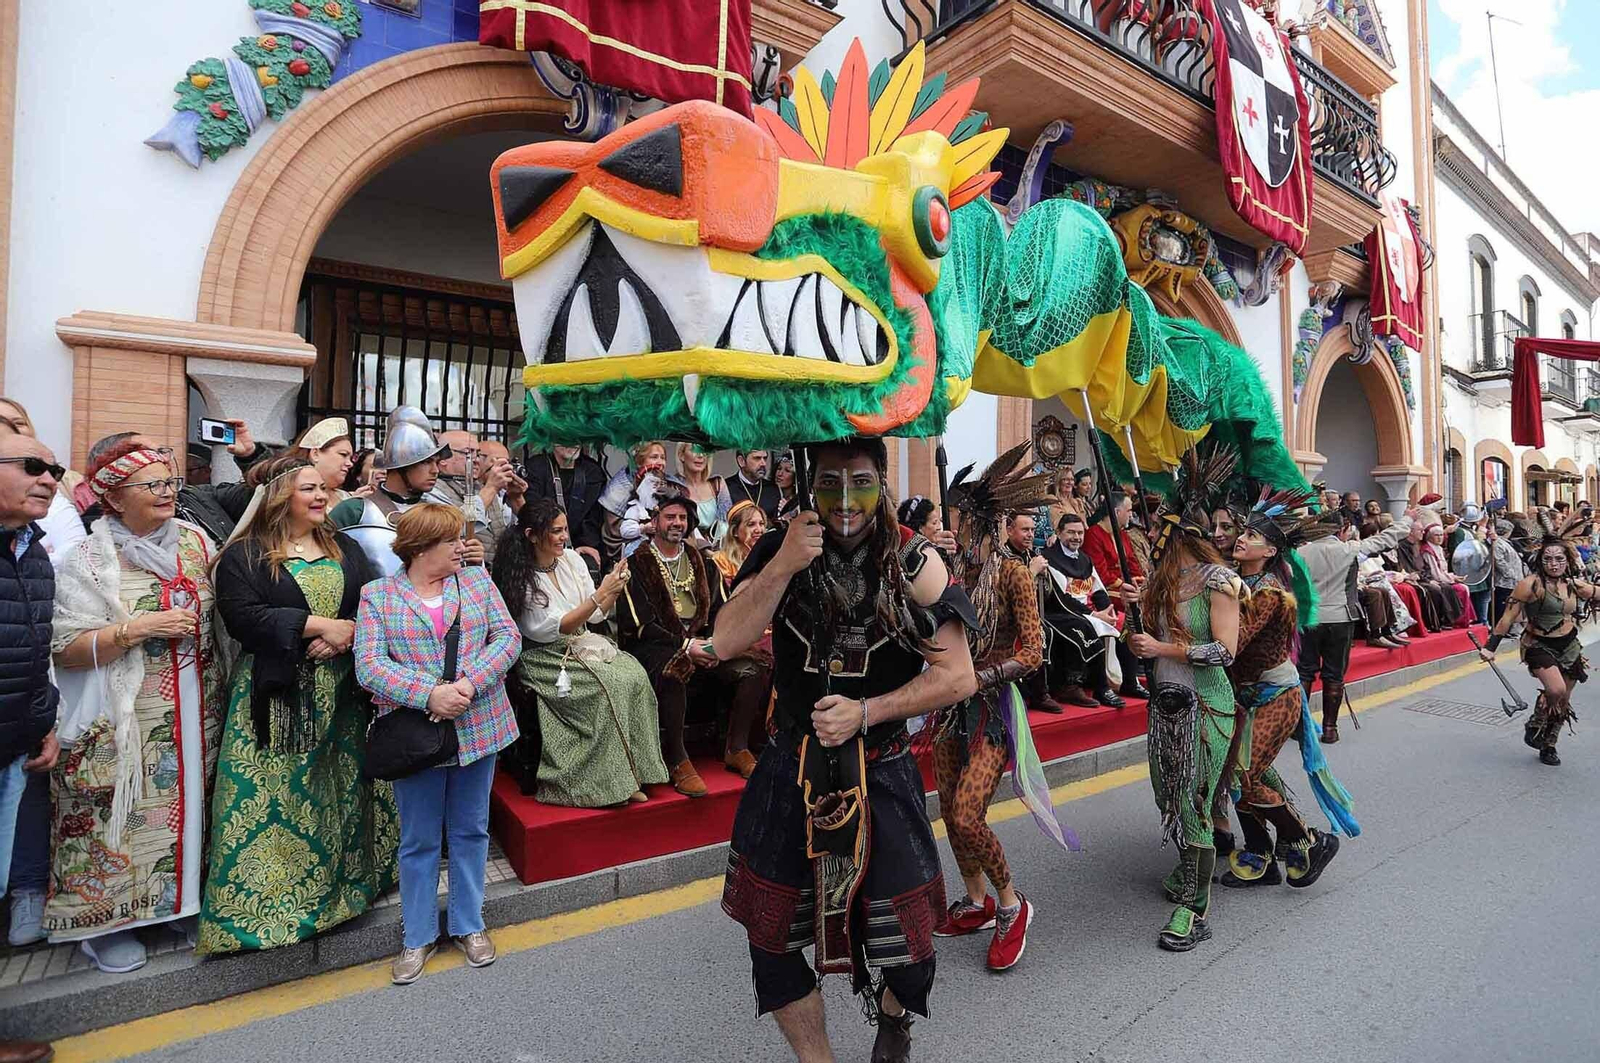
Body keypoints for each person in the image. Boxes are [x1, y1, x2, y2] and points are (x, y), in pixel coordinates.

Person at [715, 437, 976, 1063]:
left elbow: (958, 676)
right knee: (771, 941)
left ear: (881, 482)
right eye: (829, 483)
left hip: (879, 771)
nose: (845, 500)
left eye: (859, 481)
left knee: (910, 949)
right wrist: (780, 567)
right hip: (788, 770)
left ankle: (893, 1020)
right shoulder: (779, 544)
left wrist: (868, 711)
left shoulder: (913, 560)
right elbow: (725, 640)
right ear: (809, 485)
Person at [197, 454, 397, 954]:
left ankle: (346, 891)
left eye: (321, 489)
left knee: (341, 791)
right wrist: (314, 626)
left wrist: (346, 634)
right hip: (279, 697)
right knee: (279, 797)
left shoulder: (344, 546)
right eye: (308, 488)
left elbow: (373, 598)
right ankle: (271, 908)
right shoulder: (244, 555)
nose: (321, 496)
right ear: (279, 496)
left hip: (342, 693)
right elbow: (243, 616)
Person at [47, 442, 226, 973]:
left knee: (193, 801)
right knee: (118, 815)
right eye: (152, 486)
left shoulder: (195, 541)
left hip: (197, 701)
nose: (168, 492)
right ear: (114, 497)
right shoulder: (86, 560)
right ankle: (108, 925)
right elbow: (64, 647)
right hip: (125, 716)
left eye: (168, 483)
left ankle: (179, 901)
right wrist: (135, 629)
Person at [353, 503, 521, 985]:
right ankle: (418, 935)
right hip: (415, 736)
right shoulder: (377, 597)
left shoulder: (476, 582)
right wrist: (429, 693)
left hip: (480, 723)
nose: (462, 547)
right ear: (423, 546)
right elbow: (369, 666)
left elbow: (507, 639)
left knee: (471, 831)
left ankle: (470, 925)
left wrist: (469, 684)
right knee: (420, 839)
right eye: (451, 540)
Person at [934, 450, 1060, 972]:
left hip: (991, 706)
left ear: (988, 521)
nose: (958, 526)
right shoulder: (952, 567)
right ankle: (976, 898)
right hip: (948, 705)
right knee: (947, 808)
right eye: (955, 516)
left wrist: (980, 677)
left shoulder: (1012, 575)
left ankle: (1011, 904)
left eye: (964, 518)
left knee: (968, 812)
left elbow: (1032, 652)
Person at [492, 499, 669, 807]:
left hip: (582, 643)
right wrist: (601, 594)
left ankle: (634, 773)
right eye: (556, 531)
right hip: (543, 656)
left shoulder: (573, 560)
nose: (563, 537)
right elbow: (554, 628)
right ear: (533, 535)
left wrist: (613, 589)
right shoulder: (520, 576)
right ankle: (602, 784)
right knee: (606, 687)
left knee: (635, 675)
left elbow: (596, 617)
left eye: (564, 530)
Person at [1127, 490, 1242, 952]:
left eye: (1156, 530)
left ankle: (1195, 908)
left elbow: (1224, 651)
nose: (1149, 536)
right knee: (1168, 795)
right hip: (1165, 707)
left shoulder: (1221, 582)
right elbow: (1142, 642)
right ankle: (1192, 863)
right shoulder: (1159, 582)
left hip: (1207, 706)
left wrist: (1161, 649)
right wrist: (1134, 622)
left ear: (1177, 535)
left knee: (1193, 800)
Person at [1219, 492, 1350, 889]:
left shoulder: (1270, 593)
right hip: (1245, 694)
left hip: (1276, 696)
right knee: (1239, 773)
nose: (1241, 539)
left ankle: (1307, 839)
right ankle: (1259, 855)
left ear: (1271, 550)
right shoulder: (1242, 581)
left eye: (1251, 536)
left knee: (1243, 775)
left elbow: (1233, 643)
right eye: (1242, 532)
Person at [616, 491, 770, 787]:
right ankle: (677, 758)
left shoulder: (704, 562)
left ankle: (736, 747)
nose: (677, 523)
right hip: (656, 647)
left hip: (702, 642)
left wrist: (715, 645)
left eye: (683, 518)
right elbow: (640, 625)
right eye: (670, 517)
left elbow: (722, 612)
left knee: (754, 667)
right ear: (655, 520)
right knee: (676, 669)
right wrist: (687, 646)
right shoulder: (636, 564)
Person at [0, 426, 60, 1063]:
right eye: (32, 465)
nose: (48, 477)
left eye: (54, 467)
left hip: (14, 741)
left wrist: (42, 717)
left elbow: (31, 647)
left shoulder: (31, 549)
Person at [1480, 517, 1596, 767]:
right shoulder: (1530, 584)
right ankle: (1535, 721)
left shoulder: (1574, 585)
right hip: (1538, 645)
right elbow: (1507, 617)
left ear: (1568, 561)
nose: (1553, 564)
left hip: (1569, 646)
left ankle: (1549, 744)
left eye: (1559, 559)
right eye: (1548, 559)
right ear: (1541, 560)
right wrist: (1490, 647)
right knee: (1555, 691)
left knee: (1563, 700)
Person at [1298, 509, 1414, 742]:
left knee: (1305, 672)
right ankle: (1330, 729)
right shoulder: (1350, 550)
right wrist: (1408, 518)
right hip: (1341, 617)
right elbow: (1386, 538)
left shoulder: (1300, 552)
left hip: (1308, 618)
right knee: (1334, 674)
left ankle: (1297, 726)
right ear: (1341, 530)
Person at [331, 407, 481, 575]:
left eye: (436, 462)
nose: (435, 470)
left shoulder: (442, 512)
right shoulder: (355, 510)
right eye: (426, 462)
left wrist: (473, 561)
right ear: (401, 465)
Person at [1038, 512, 1124, 708]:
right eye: (1071, 532)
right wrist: (1095, 615)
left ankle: (1128, 681)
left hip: (1086, 610)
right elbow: (1062, 598)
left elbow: (1098, 589)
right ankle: (1096, 687)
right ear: (1058, 533)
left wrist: (1107, 611)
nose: (1076, 537)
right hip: (1059, 612)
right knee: (1089, 625)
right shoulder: (1049, 558)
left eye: (1080, 533)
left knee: (1127, 621)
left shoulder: (1085, 559)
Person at [1082, 490, 1148, 700]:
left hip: (1125, 589)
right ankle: (1127, 679)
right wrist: (1126, 585)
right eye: (1128, 511)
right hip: (1105, 592)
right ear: (1117, 511)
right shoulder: (1094, 534)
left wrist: (1138, 581)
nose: (1131, 515)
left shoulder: (1122, 534)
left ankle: (1139, 673)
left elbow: (1132, 563)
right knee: (1130, 616)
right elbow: (1100, 572)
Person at [996, 511, 1065, 714]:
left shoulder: (1032, 555)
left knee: (1048, 632)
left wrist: (1043, 577)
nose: (1030, 534)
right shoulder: (1001, 557)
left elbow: (1048, 594)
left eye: (1033, 530)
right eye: (1025, 529)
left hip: (1033, 614)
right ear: (1009, 530)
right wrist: (1031, 572)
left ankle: (1046, 691)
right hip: (1007, 619)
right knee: (1039, 635)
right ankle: (1036, 693)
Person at [425, 430, 517, 569]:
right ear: (443, 459)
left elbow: (510, 529)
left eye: (478, 454)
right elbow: (453, 528)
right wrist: (491, 488)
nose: (476, 460)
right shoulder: (433, 490)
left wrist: (517, 498)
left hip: (498, 575)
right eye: (467, 453)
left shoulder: (481, 487)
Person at [525, 443, 606, 568]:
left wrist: (587, 544)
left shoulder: (592, 471)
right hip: (542, 547)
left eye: (576, 438)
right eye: (564, 438)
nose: (571, 442)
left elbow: (594, 515)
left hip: (580, 546)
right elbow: (532, 510)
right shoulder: (536, 467)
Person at [599, 440, 668, 561]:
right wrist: (643, 529)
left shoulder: (668, 484)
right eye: (654, 457)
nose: (660, 462)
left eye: (663, 457)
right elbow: (614, 532)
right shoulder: (618, 490)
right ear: (639, 461)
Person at [1392, 520, 1463, 630]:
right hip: (1412, 577)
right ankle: (1435, 622)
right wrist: (1427, 579)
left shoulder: (1417, 545)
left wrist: (1428, 577)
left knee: (1445, 587)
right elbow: (1407, 567)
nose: (1423, 533)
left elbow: (1425, 567)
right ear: (1411, 532)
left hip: (1422, 576)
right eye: (1420, 530)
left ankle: (1448, 619)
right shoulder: (1403, 547)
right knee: (1434, 589)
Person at [293, 417, 358, 505]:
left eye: (350, 458)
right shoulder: (293, 496)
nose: (350, 464)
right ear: (315, 454)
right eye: (343, 454)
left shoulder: (346, 498)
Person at [676, 443, 731, 545]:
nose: (700, 455)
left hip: (720, 548)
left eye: (704, 451)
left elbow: (726, 522)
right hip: (689, 549)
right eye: (694, 450)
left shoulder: (717, 483)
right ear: (681, 455)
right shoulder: (675, 486)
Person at [1422, 523, 1475, 624]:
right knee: (1460, 588)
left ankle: (1464, 618)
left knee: (1463, 587)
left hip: (1444, 577)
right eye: (1436, 535)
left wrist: (1454, 577)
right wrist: (1452, 578)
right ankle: (1457, 619)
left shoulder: (1439, 549)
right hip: (1434, 580)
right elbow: (1435, 573)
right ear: (1429, 536)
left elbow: (1443, 571)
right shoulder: (1427, 550)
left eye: (1441, 535)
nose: (1439, 538)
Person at [726, 448, 781, 522]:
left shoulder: (772, 489)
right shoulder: (726, 488)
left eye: (765, 458)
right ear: (741, 461)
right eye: (757, 458)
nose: (763, 463)